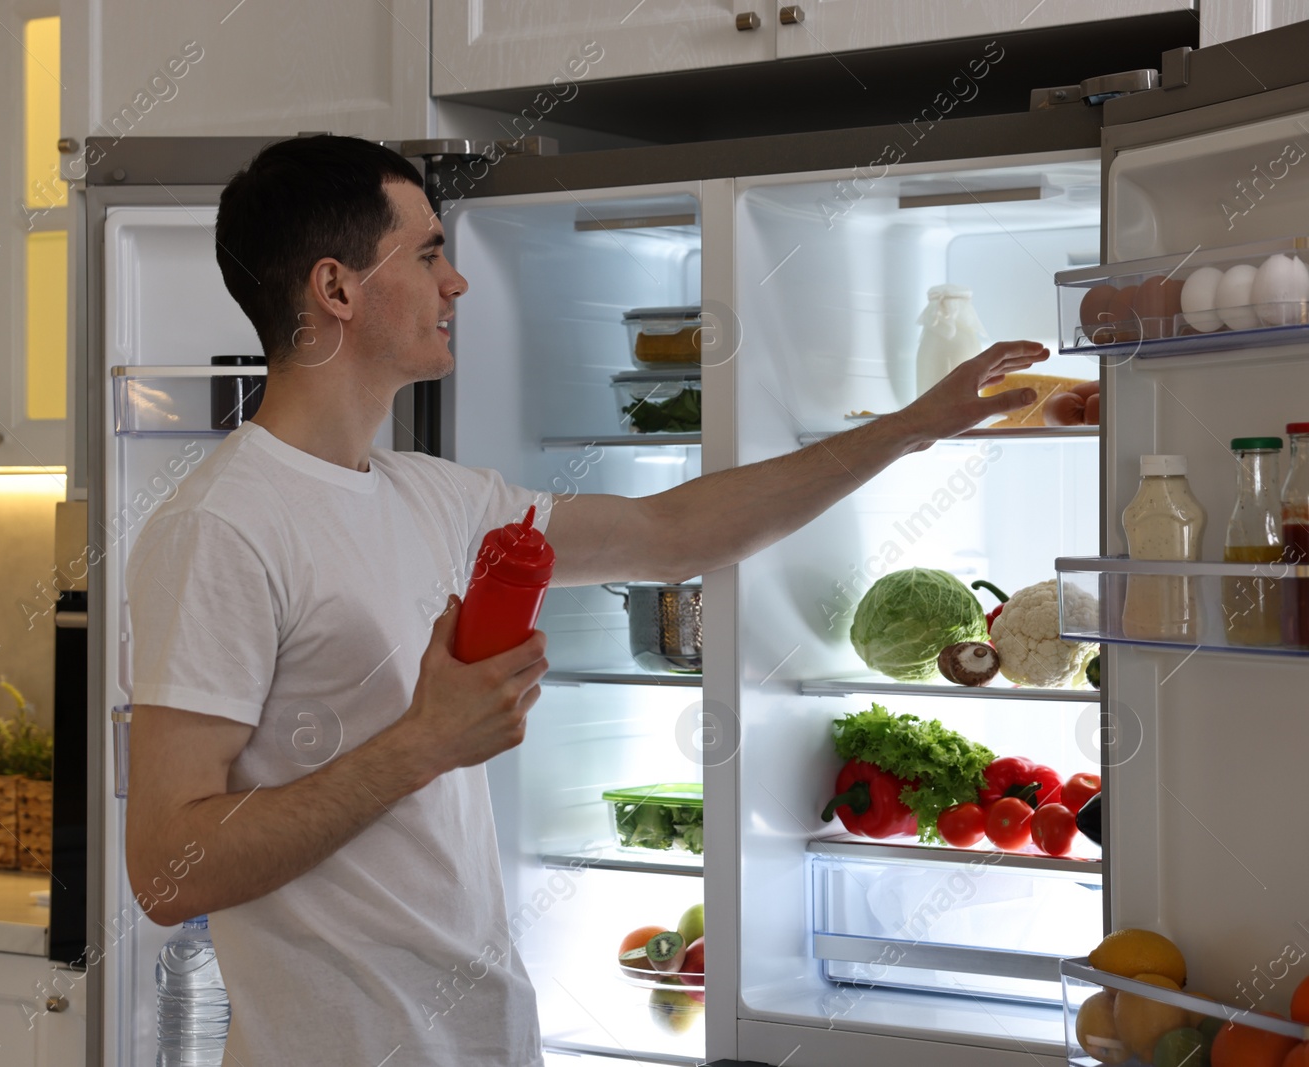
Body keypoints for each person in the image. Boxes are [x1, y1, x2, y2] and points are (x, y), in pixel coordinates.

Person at [123, 135, 1047, 1066]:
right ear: (337, 289)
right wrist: (419, 745)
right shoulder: (222, 526)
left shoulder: (436, 496)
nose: (459, 284)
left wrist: (909, 429)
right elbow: (167, 867)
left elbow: (673, 532)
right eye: (431, 252)